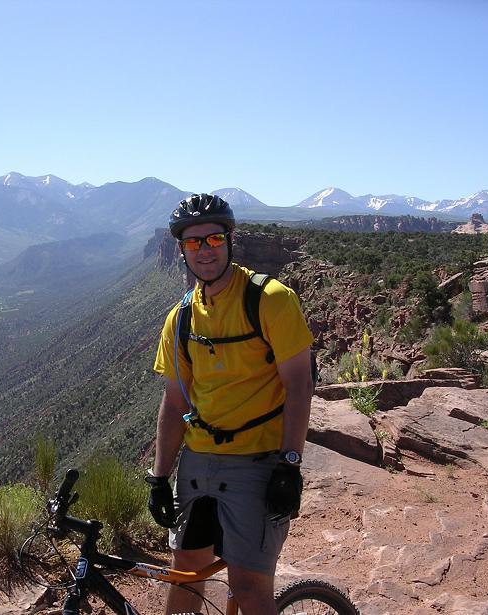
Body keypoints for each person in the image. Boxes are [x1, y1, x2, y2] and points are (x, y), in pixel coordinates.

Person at [147, 193, 315, 615]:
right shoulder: (181, 318)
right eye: (193, 242)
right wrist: (159, 477)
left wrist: (290, 464)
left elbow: (299, 384)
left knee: (249, 585)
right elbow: (173, 401)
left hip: (257, 463)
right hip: (198, 462)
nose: (205, 250)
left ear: (230, 239)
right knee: (186, 572)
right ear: (181, 249)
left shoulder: (270, 300)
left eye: (214, 239)